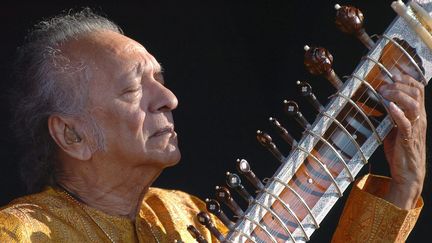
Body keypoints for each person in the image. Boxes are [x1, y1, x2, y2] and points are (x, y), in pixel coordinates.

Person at [0, 9, 426, 243]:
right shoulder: (19, 234)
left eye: (162, 82)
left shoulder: (184, 217)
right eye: (133, 90)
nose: (169, 100)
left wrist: (402, 186)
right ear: (72, 136)